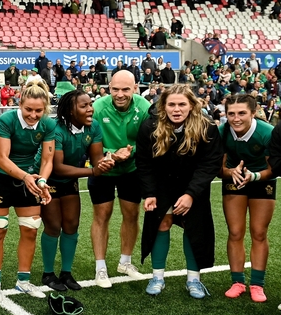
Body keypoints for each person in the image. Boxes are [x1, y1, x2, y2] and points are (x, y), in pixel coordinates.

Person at [136, 85, 222, 298]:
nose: (176, 109)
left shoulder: (207, 127)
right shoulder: (149, 127)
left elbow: (209, 164)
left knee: (192, 227)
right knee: (161, 224)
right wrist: (150, 193)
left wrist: (191, 194)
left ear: (192, 105)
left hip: (193, 186)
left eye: (182, 104)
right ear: (163, 106)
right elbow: (144, 163)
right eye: (171, 104)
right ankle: (157, 277)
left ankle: (193, 280)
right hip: (161, 185)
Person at [0, 80, 53, 300]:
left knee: (31, 229)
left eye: (38, 110)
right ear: (20, 104)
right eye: (28, 109)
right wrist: (26, 177)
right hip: (1, 179)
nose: (33, 114)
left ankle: (23, 281)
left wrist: (41, 182)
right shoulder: (6, 120)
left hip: (30, 179)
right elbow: (2, 159)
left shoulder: (48, 124)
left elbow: (48, 159)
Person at [41, 90, 114, 291]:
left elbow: (97, 157)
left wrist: (109, 160)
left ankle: (66, 273)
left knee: (71, 225)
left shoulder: (94, 127)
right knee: (53, 226)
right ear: (70, 111)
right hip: (49, 181)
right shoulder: (56, 129)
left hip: (70, 181)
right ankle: (48, 274)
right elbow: (58, 167)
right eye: (84, 106)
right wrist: (93, 171)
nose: (90, 109)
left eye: (90, 104)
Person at [90, 70, 151, 288]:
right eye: (115, 89)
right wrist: (110, 154)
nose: (120, 94)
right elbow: (89, 141)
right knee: (101, 215)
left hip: (132, 169)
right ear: (109, 88)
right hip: (103, 168)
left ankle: (125, 262)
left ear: (135, 88)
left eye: (126, 89)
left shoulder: (144, 107)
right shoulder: (97, 108)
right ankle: (100, 268)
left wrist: (130, 151)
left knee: (132, 214)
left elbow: (149, 141)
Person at [219, 94, 275, 302]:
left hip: (262, 179)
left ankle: (257, 285)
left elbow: (274, 168)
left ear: (253, 112)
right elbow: (218, 169)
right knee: (235, 232)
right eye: (231, 113)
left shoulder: (268, 133)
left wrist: (255, 176)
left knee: (259, 232)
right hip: (235, 179)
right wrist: (230, 172)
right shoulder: (222, 132)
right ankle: (237, 282)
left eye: (242, 113)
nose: (236, 118)